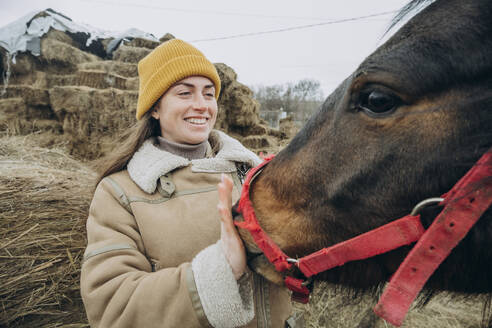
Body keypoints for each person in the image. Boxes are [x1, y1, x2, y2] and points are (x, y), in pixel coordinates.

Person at [80, 39, 295, 327]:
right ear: (155, 108)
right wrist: (219, 270)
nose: (201, 106)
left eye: (209, 94)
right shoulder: (121, 192)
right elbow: (111, 306)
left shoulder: (256, 175)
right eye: (184, 93)